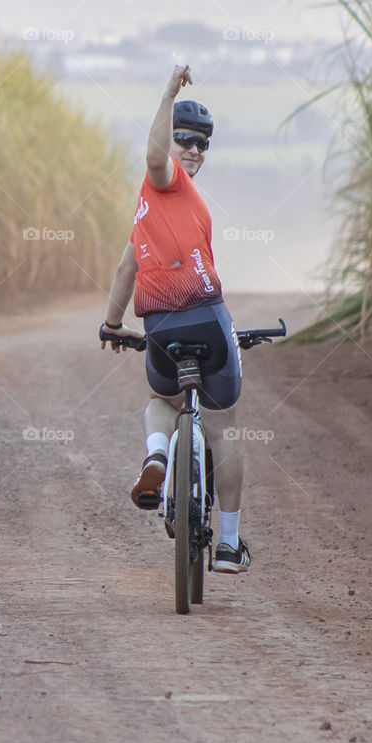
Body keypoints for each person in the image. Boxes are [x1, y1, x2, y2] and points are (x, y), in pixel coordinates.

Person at [100, 65, 249, 573]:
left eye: (202, 144)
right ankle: (228, 543)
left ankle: (158, 457)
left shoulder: (149, 212)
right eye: (186, 138)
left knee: (163, 398)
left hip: (161, 325)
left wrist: (111, 324)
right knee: (223, 425)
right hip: (208, 317)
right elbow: (155, 156)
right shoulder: (166, 181)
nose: (193, 149)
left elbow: (126, 268)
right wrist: (167, 90)